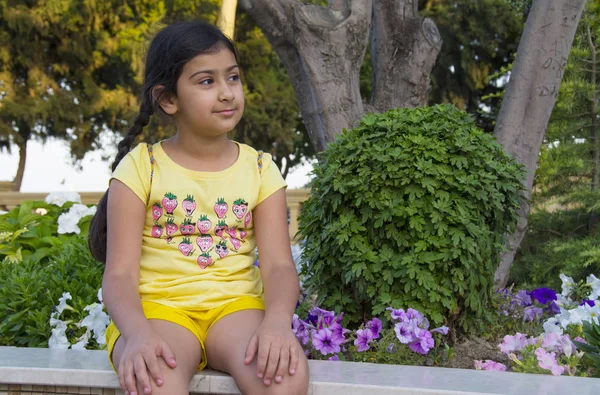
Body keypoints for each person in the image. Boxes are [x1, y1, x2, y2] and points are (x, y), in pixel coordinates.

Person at [87, 20, 309, 395]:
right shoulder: (142, 168)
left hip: (237, 310)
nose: (226, 93)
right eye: (207, 81)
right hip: (158, 312)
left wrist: (276, 323)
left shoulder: (260, 169)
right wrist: (138, 335)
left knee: (284, 377)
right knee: (153, 381)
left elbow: (278, 266)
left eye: (233, 78)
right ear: (168, 99)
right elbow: (119, 276)